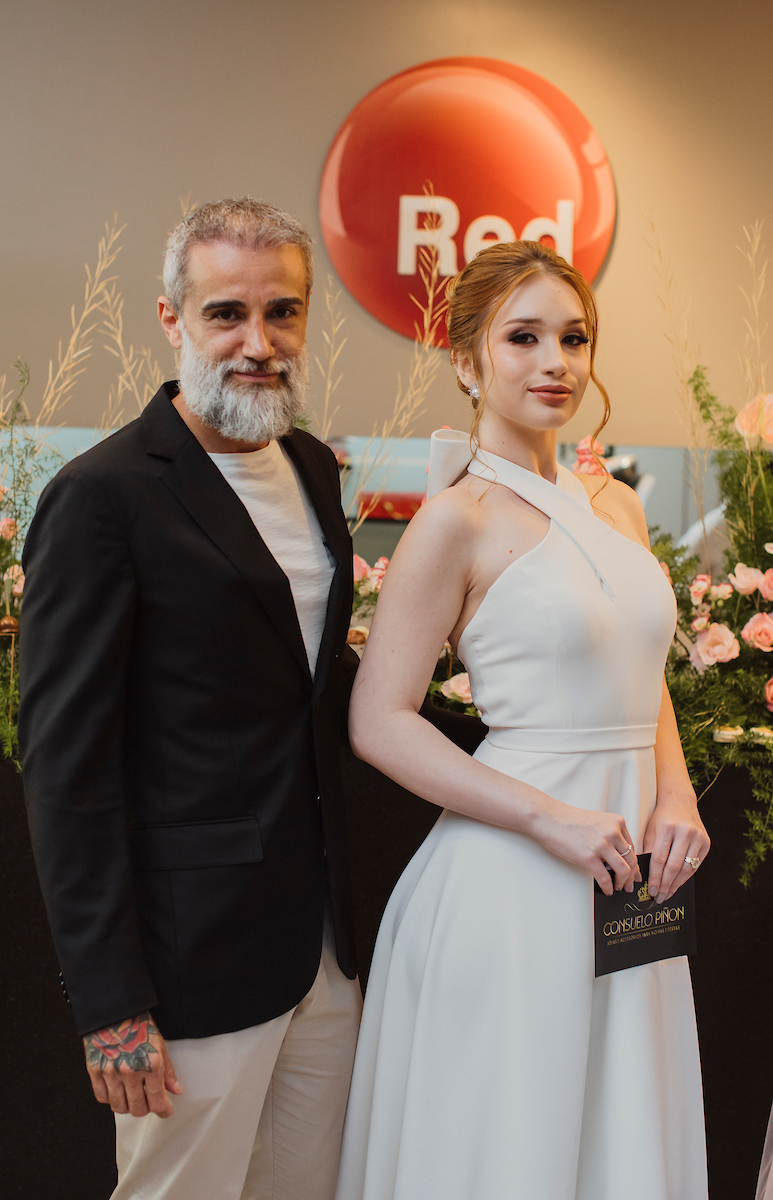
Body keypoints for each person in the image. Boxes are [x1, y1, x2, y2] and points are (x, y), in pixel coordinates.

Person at [334, 240, 710, 1200]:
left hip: (636, 880)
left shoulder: (617, 504)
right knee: (510, 1140)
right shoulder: (454, 520)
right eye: (524, 337)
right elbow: (379, 720)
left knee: (618, 1127)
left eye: (574, 338)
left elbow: (643, 673)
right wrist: (549, 817)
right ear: (467, 361)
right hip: (512, 880)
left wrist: (675, 791)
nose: (556, 362)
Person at [19, 197, 363, 1200]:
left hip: (326, 951)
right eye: (226, 314)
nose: (259, 344)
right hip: (189, 963)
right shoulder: (103, 497)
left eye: (283, 313)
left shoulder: (309, 466)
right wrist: (111, 1003)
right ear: (172, 321)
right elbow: (65, 769)